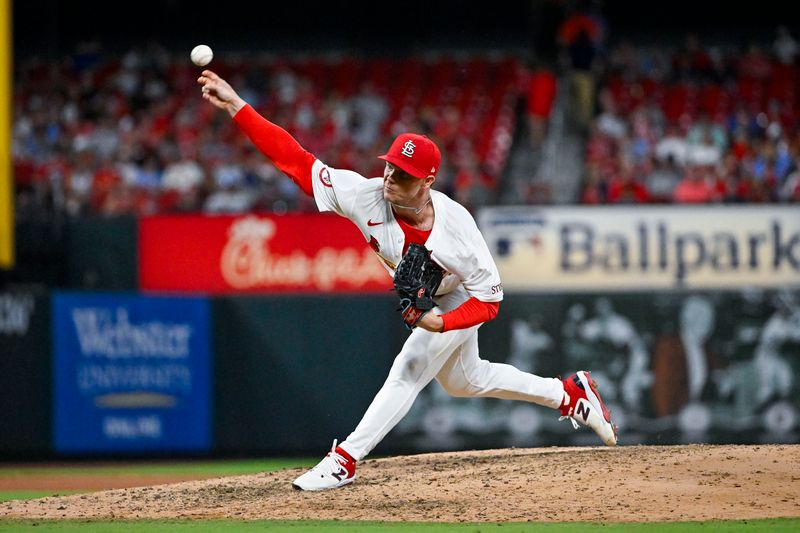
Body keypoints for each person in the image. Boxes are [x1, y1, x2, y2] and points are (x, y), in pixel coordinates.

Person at [197, 69, 617, 492]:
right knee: (466, 381)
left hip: (456, 298)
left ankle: (344, 460)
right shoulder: (366, 194)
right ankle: (570, 394)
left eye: (403, 174)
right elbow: (298, 162)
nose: (390, 179)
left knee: (409, 369)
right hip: (434, 299)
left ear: (428, 181)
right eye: (390, 167)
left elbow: (490, 302)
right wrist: (237, 106)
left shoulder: (459, 232)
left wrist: (439, 322)